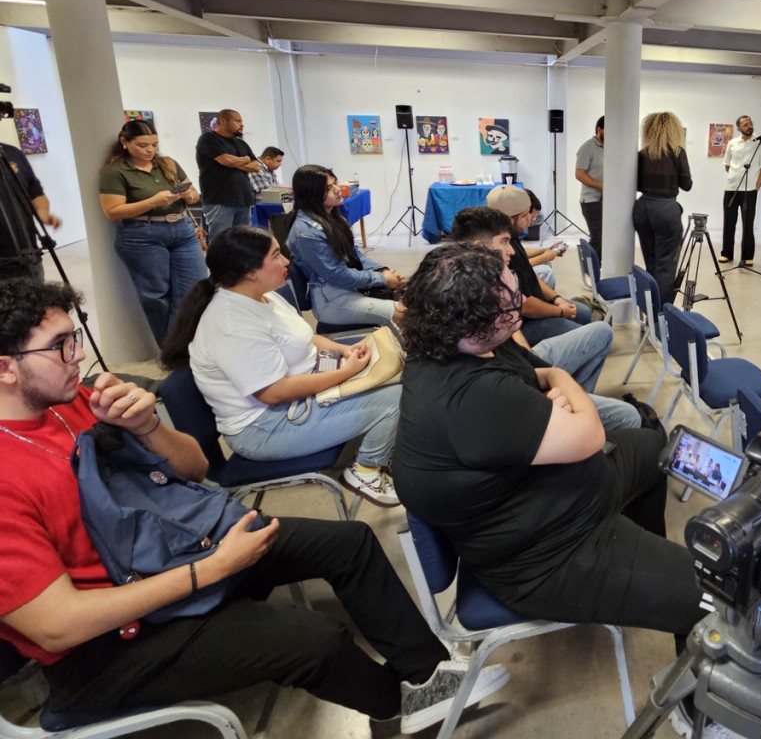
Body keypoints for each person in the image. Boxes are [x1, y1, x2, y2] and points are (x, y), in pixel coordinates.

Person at [0, 278, 506, 734]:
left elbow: (196, 468)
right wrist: (211, 569)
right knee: (315, 643)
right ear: (5, 367)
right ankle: (395, 708)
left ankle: (427, 676)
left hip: (174, 550)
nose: (78, 356)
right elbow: (57, 626)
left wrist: (147, 427)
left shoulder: (72, 402)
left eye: (75, 338)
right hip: (109, 644)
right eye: (60, 346)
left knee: (350, 543)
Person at [394, 245, 720, 737]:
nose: (520, 303)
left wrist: (556, 390)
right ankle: (696, 707)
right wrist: (563, 385)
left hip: (558, 502)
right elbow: (585, 430)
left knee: (653, 447)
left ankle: (648, 569)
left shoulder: (460, 345)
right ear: (476, 322)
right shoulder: (471, 398)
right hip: (548, 557)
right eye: (511, 304)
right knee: (715, 598)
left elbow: (536, 375)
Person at [159, 226, 400, 506]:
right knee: (394, 400)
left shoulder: (262, 294)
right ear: (250, 272)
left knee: (394, 376)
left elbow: (302, 336)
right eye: (276, 255)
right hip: (265, 429)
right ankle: (365, 471)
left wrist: (344, 351)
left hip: (293, 402)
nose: (286, 260)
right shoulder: (231, 324)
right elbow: (273, 392)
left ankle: (382, 452)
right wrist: (345, 373)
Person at [449, 206, 640, 431]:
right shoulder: (465, 292)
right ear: (478, 247)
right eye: (503, 242)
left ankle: (576, 404)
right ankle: (575, 419)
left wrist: (555, 302)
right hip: (516, 376)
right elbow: (526, 309)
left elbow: (516, 318)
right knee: (629, 417)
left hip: (520, 361)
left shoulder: (492, 273)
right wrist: (559, 312)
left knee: (597, 327)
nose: (510, 251)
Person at [98, 119, 207, 344]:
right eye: (142, 145)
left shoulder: (167, 163)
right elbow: (113, 211)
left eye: (154, 145)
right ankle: (171, 349)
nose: (150, 150)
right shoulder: (115, 171)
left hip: (182, 230)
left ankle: (184, 345)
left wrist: (190, 196)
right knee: (156, 295)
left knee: (194, 288)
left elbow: (193, 192)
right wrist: (152, 202)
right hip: (142, 234)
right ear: (124, 142)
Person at [285, 165, 405, 327]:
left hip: (350, 288)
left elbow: (354, 254)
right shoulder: (306, 232)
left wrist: (381, 270)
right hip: (332, 300)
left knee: (415, 300)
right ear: (311, 194)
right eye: (328, 188)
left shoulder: (333, 217)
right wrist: (382, 279)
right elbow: (336, 275)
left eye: (335, 183)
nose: (337, 189)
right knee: (404, 313)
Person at [485, 185, 591, 343]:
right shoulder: (498, 252)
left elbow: (530, 274)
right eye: (525, 215)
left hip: (532, 308)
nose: (530, 219)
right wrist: (560, 311)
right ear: (509, 219)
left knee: (584, 313)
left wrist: (557, 298)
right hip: (522, 325)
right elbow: (526, 307)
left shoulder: (511, 237)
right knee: (595, 335)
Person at [635, 111, 692, 307]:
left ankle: (649, 310)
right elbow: (687, 185)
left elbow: (637, 185)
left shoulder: (642, 154)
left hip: (642, 209)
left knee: (651, 263)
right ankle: (662, 314)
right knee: (666, 266)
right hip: (666, 209)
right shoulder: (677, 153)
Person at [195, 109, 260, 240]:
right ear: (223, 121)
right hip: (219, 200)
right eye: (237, 121)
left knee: (242, 240)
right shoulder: (208, 139)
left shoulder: (241, 143)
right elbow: (226, 160)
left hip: (243, 199)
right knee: (221, 240)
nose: (242, 124)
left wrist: (234, 162)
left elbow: (256, 166)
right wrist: (245, 159)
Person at [0, 140, 59, 281]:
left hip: (30, 260)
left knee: (37, 295)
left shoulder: (12, 153)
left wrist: (42, 213)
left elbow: (36, 193)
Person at [720, 114, 761, 267]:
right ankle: (726, 254)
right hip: (731, 188)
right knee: (728, 223)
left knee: (748, 224)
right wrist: (735, 177)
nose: (749, 126)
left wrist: (756, 188)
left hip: (749, 190)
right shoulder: (732, 143)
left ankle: (747, 256)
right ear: (739, 128)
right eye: (746, 124)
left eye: (751, 123)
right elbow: (727, 165)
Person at [575, 116, 605, 257]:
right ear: (599, 129)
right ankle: (590, 265)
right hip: (591, 201)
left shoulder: (611, 147)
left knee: (606, 237)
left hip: (607, 200)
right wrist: (601, 186)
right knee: (598, 237)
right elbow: (579, 174)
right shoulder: (587, 148)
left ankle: (600, 265)